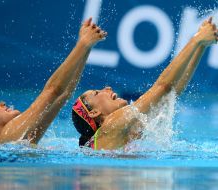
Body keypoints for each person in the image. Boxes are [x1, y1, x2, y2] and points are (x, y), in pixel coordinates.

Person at [72, 17, 218, 150]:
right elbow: (162, 87)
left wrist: (201, 46)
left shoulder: (124, 128)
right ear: (94, 113)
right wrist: (196, 40)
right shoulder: (110, 126)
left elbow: (171, 92)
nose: (107, 88)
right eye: (96, 93)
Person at [0, 18, 107, 147]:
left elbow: (64, 94)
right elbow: (52, 91)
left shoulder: (20, 137)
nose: (1, 103)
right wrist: (82, 44)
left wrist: (86, 48)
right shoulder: (6, 137)